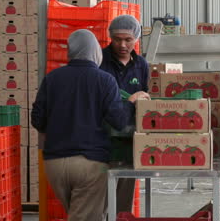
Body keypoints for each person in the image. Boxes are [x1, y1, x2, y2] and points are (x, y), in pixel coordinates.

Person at [30, 29, 148, 221]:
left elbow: (37, 119)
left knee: (78, 213)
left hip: (54, 164)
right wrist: (131, 101)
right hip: (90, 164)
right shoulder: (105, 80)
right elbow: (118, 121)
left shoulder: (51, 79)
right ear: (95, 52)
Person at [100, 15, 150, 214]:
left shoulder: (141, 65)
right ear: (110, 37)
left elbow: (145, 100)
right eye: (117, 39)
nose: (122, 44)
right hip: (102, 140)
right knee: (99, 201)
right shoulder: (100, 61)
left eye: (128, 40)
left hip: (129, 141)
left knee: (123, 202)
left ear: (136, 39)